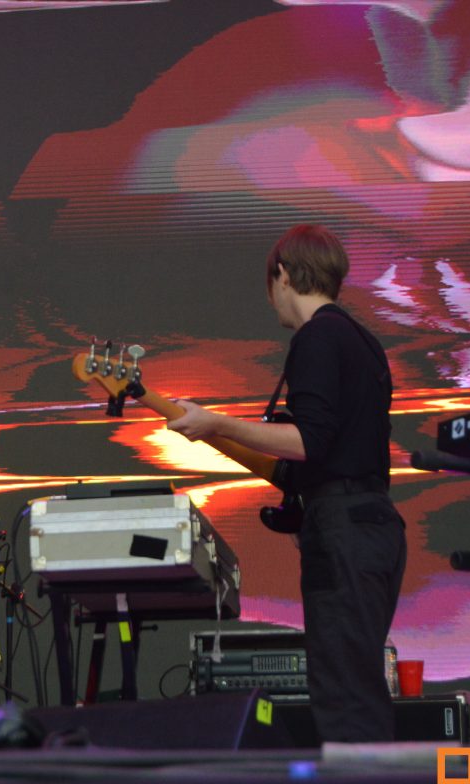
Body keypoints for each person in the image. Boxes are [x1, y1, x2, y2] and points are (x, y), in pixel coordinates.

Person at [167, 224, 406, 743]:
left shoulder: (317, 337)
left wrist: (217, 422)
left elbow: (308, 441)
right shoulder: (363, 341)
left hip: (344, 532)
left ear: (281, 273)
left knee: (343, 700)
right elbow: (329, 451)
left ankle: (361, 783)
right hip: (373, 527)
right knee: (356, 689)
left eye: (268, 283)